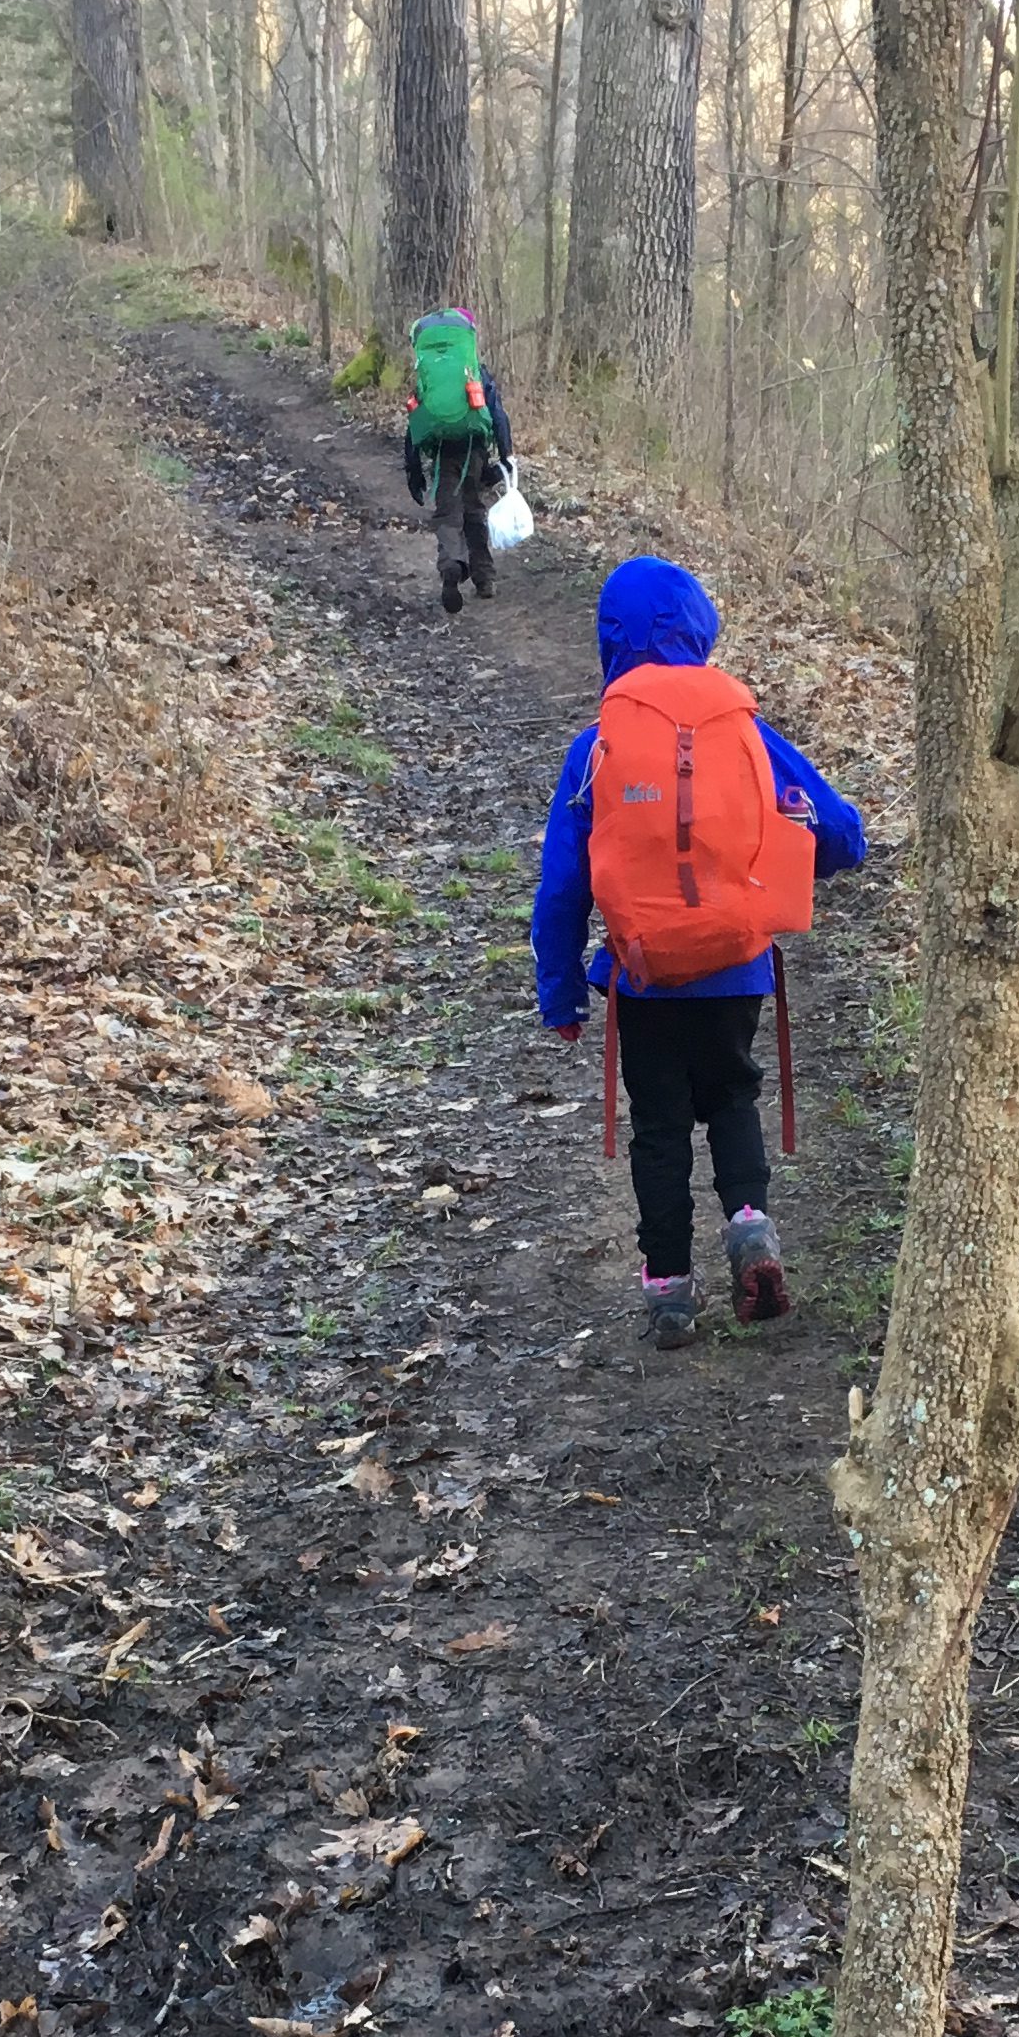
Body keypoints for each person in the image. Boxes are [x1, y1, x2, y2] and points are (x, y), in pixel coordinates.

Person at [530, 556, 866, 1345]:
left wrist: (561, 992)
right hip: (735, 966)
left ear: (608, 643)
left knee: (659, 1125)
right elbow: (843, 835)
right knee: (732, 1095)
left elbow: (561, 887)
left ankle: (671, 1291)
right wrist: (782, 847)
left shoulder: (597, 750)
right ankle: (750, 1223)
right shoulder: (744, 731)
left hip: (642, 978)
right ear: (699, 630)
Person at [399, 305, 513, 616]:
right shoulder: (475, 372)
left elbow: (415, 423)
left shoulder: (427, 376)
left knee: (448, 513)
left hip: (441, 451)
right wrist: (506, 457)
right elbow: (498, 416)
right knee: (474, 509)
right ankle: (484, 578)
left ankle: (451, 563)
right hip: (474, 446)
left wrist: (413, 471)